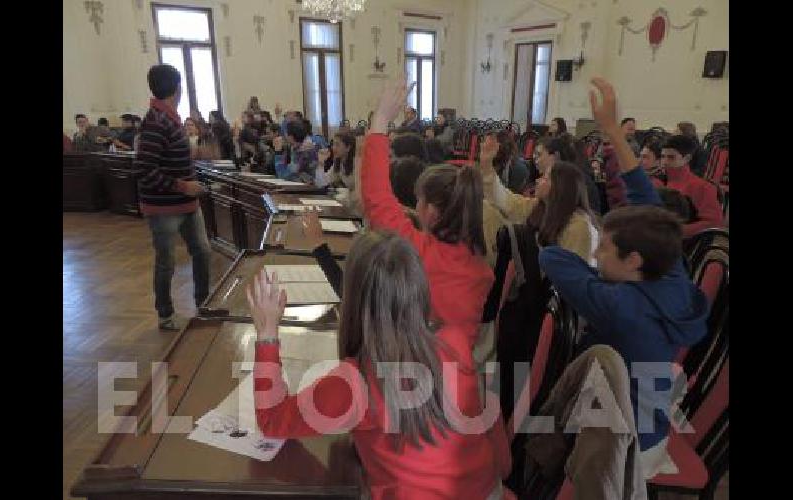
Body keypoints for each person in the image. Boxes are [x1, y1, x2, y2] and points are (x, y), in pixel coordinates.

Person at [248, 231, 509, 499]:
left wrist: (268, 331)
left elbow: (272, 419)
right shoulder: (454, 339)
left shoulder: (355, 383)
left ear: (352, 297)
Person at [538, 77, 708, 471]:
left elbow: (553, 259)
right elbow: (645, 199)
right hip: (654, 425)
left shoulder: (619, 304)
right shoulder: (669, 272)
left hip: (621, 447)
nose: (596, 252)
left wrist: (594, 277)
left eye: (604, 248)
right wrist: (613, 133)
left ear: (633, 260)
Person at [361, 77, 492, 356]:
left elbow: (377, 200)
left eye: (418, 200)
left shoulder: (419, 254)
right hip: (459, 381)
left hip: (422, 384)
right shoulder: (480, 267)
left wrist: (381, 120)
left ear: (431, 211)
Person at [135, 64, 212, 331]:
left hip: (186, 203)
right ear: (178, 88)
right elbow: (144, 171)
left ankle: (204, 305)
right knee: (166, 262)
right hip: (164, 208)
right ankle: (166, 314)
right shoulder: (156, 121)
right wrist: (183, 185)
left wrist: (187, 164)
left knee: (202, 251)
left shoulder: (169, 117)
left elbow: (165, 159)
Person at [479, 135, 600, 265]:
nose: (538, 180)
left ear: (559, 186)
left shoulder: (578, 226)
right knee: (487, 209)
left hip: (558, 282)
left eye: (545, 178)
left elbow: (574, 275)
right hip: (540, 276)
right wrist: (486, 164)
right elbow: (507, 201)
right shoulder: (541, 206)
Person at [651, 135, 724, 237]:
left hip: (677, 243)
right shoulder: (656, 181)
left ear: (687, 158)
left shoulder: (702, 187)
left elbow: (714, 222)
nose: (665, 162)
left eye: (671, 157)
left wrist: (677, 231)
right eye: (663, 157)